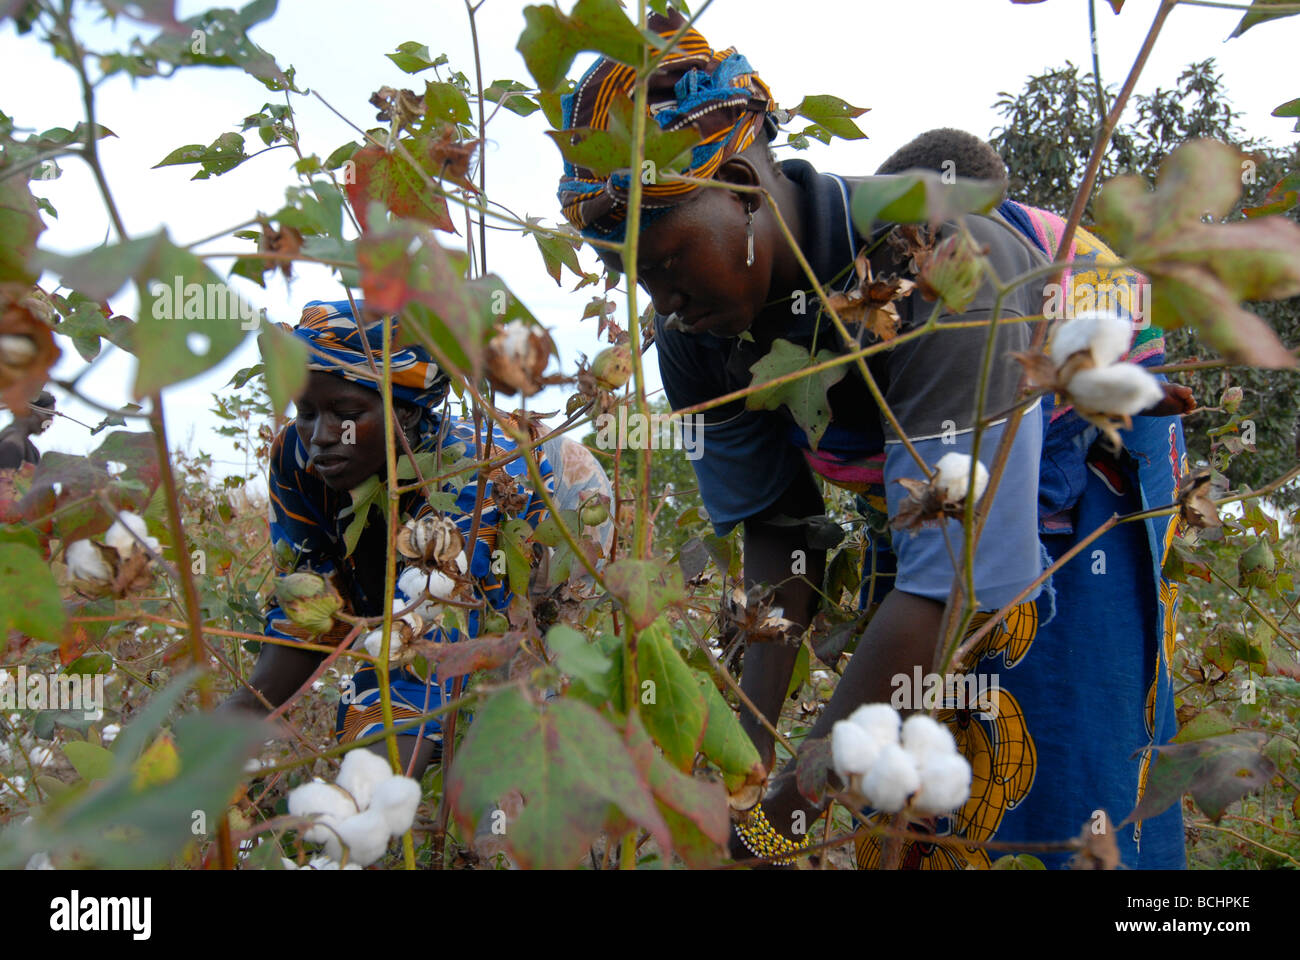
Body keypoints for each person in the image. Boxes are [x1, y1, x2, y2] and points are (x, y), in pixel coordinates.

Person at [558, 13, 1191, 869]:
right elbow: (780, 536)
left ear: (744, 186)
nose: (661, 299)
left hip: (1086, 443)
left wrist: (779, 820)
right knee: (911, 795)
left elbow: (959, 582)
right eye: (632, 274)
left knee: (1064, 757)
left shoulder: (940, 261)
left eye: (666, 259)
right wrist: (742, 773)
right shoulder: (698, 340)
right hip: (927, 480)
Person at [219, 300, 612, 779]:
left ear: (404, 414)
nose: (320, 436)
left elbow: (420, 643)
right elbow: (308, 601)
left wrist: (363, 813)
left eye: (344, 412)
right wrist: (237, 718)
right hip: (428, 531)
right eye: (305, 411)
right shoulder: (296, 456)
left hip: (565, 505)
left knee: (529, 683)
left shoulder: (466, 477)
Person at [0, 390, 55, 469]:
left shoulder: (19, 443)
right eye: (48, 415)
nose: (50, 422)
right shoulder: (13, 442)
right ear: (28, 410)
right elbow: (5, 479)